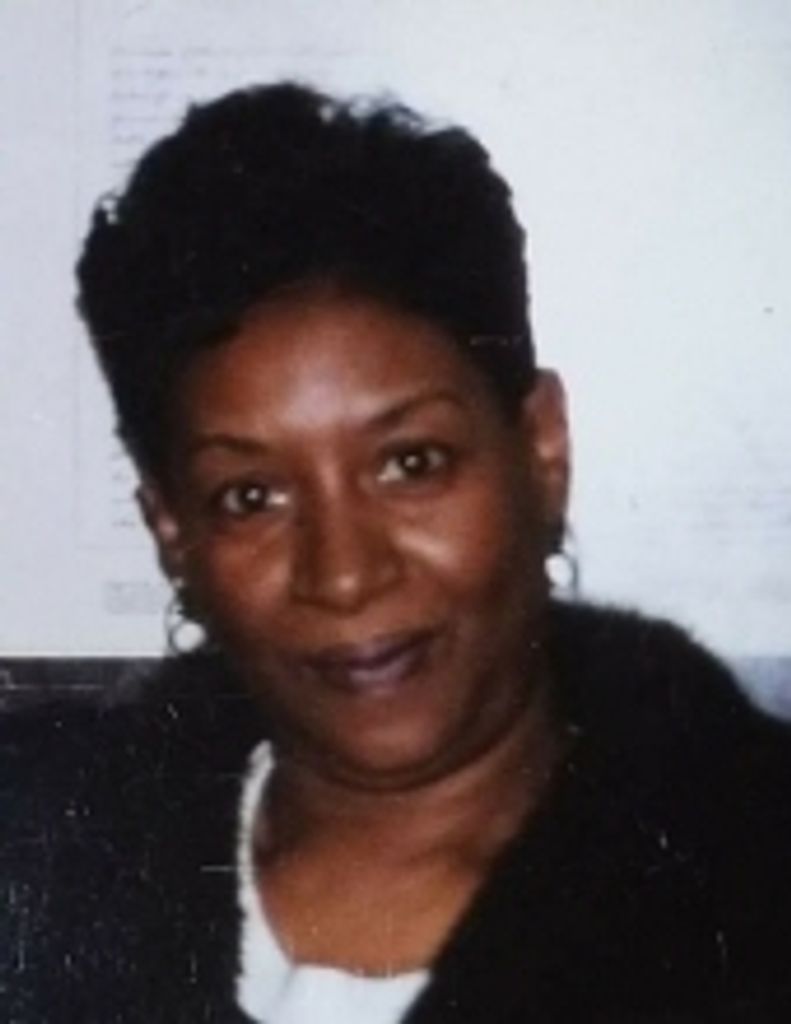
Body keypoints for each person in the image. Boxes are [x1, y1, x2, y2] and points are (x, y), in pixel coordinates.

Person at [2, 81, 790, 1023]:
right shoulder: (40, 863)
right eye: (250, 497)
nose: (343, 574)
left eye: (411, 463)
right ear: (173, 531)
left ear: (541, 450)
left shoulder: (752, 887)